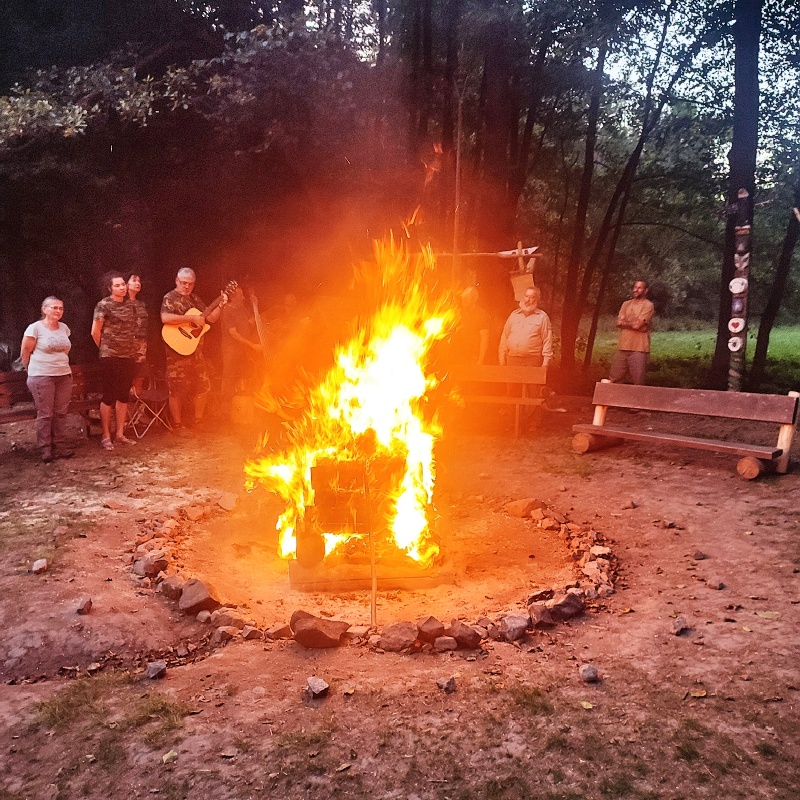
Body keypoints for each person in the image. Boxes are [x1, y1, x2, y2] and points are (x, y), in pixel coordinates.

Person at [160, 267, 225, 433]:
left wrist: (220, 305)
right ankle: (177, 425)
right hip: (177, 351)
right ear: (176, 281)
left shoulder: (195, 299)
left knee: (203, 386)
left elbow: (211, 318)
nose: (187, 286)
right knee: (177, 389)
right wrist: (191, 318)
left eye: (190, 284)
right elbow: (165, 317)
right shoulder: (170, 297)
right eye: (183, 283)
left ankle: (198, 421)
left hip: (196, 351)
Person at [20, 297, 74, 462]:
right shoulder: (35, 328)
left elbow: (65, 350)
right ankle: (46, 449)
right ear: (44, 309)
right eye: (54, 307)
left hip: (63, 375)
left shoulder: (64, 328)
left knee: (60, 413)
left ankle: (60, 446)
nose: (58, 311)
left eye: (61, 308)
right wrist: (31, 371)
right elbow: (25, 352)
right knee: (45, 414)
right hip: (42, 375)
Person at [91, 271, 138, 450]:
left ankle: (120, 434)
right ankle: (105, 435)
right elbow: (95, 332)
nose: (122, 288)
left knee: (123, 395)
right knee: (109, 395)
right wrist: (106, 349)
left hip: (128, 356)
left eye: (123, 284)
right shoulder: (103, 305)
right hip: (110, 356)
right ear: (110, 288)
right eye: (117, 285)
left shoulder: (130, 305)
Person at [220, 286, 262, 420]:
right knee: (229, 378)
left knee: (242, 377)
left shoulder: (242, 308)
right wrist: (252, 345)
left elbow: (250, 322)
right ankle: (224, 411)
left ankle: (239, 410)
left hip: (243, 349)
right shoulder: (227, 310)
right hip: (231, 349)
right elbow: (234, 334)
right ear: (234, 297)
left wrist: (255, 306)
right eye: (241, 295)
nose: (243, 298)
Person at [609, 280, 655, 385]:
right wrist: (635, 324)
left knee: (638, 382)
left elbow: (637, 325)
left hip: (639, 349)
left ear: (646, 291)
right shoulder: (626, 304)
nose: (636, 290)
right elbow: (619, 323)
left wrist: (627, 323)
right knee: (614, 380)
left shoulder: (648, 305)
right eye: (635, 287)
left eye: (639, 288)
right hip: (623, 347)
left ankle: (636, 396)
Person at [498, 285, 553, 367]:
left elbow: (547, 340)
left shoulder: (542, 317)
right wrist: (501, 357)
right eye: (526, 296)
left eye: (532, 297)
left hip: (532, 361)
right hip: (512, 359)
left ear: (537, 299)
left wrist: (545, 363)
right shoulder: (514, 315)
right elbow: (505, 336)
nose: (527, 300)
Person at [451, 286, 490, 366]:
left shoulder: (481, 314)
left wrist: (480, 360)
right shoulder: (458, 312)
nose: (463, 300)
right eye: (463, 297)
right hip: (457, 356)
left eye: (467, 298)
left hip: (473, 357)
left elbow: (484, 339)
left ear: (474, 299)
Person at [126, 273, 148, 393]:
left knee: (140, 375)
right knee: (126, 377)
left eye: (139, 281)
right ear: (126, 284)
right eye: (134, 280)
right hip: (125, 345)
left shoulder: (142, 304)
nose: (138, 283)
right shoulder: (120, 303)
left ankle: (137, 403)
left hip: (141, 344)